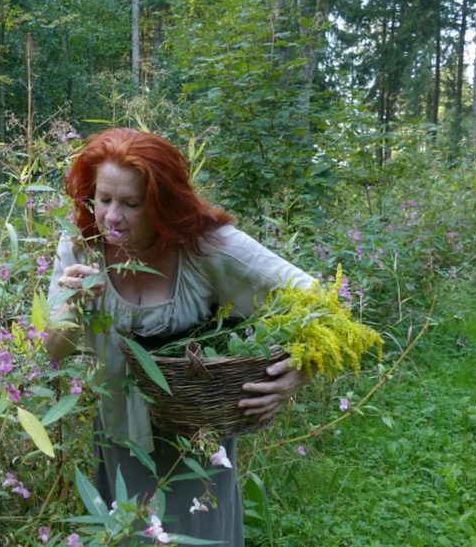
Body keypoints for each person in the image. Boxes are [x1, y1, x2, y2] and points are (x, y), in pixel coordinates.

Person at [44, 128, 312, 545]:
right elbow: (53, 351)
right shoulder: (81, 248)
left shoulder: (205, 246)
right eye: (103, 199)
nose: (112, 217)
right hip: (118, 437)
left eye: (131, 204)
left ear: (161, 204)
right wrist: (73, 306)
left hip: (196, 452)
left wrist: (298, 373)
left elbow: (319, 300)